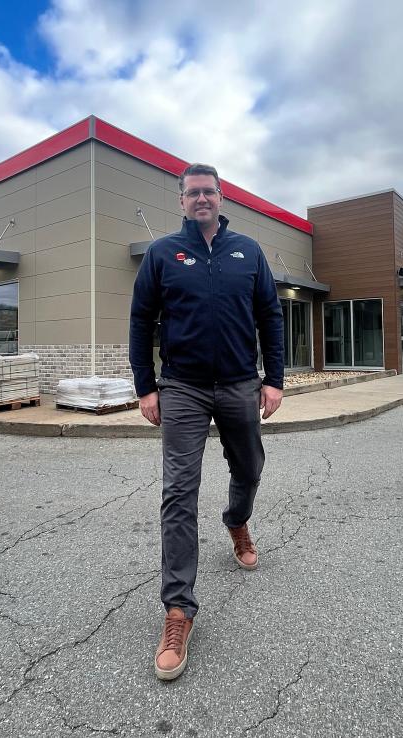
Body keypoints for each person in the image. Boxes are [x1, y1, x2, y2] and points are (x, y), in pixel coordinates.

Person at [128, 163, 285, 681]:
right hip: (183, 387)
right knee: (178, 491)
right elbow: (140, 320)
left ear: (221, 198)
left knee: (250, 468)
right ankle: (178, 610)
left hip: (241, 381)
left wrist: (274, 378)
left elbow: (269, 315)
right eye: (192, 192)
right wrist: (145, 386)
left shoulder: (249, 252)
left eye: (209, 192)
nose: (201, 199)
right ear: (181, 201)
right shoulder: (160, 254)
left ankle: (237, 521)